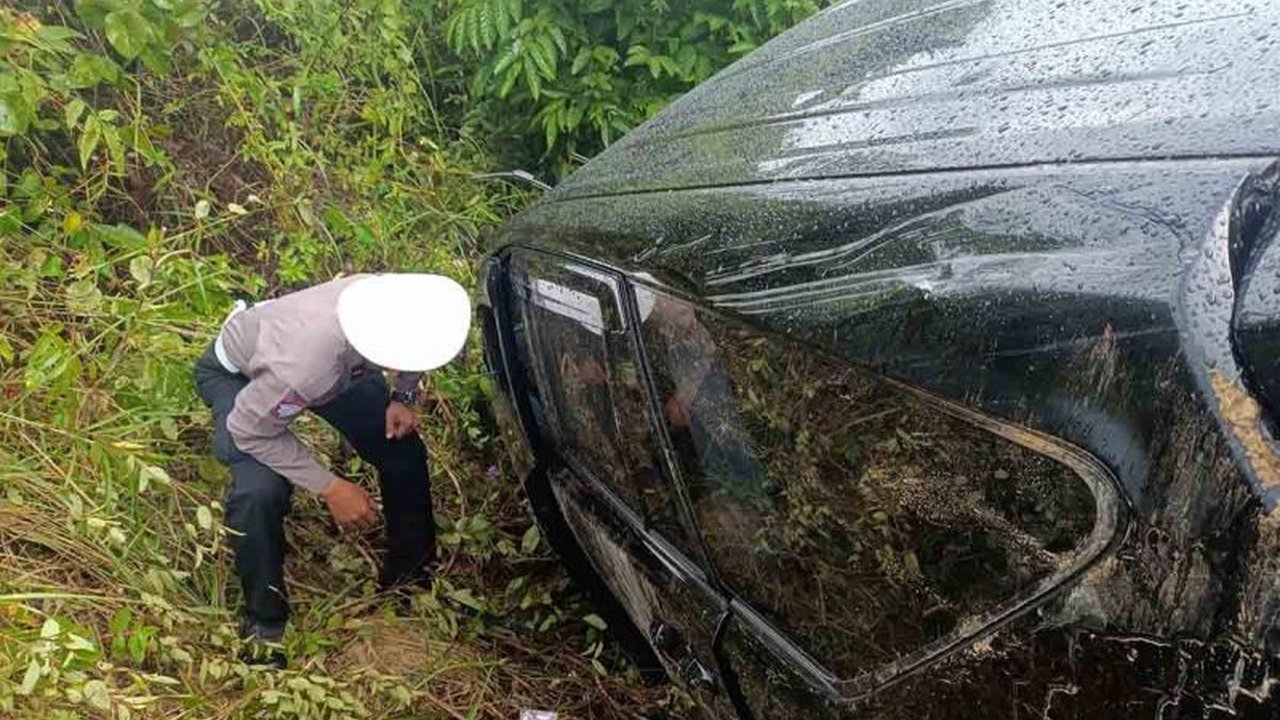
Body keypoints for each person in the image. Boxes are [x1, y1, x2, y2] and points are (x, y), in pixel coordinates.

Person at [192, 273, 471, 659]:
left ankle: (408, 582)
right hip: (240, 378)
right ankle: (265, 626)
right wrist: (330, 486)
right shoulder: (305, 365)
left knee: (402, 450)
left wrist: (403, 395)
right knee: (260, 490)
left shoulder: (397, 300)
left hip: (337, 367)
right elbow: (248, 431)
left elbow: (420, 348)